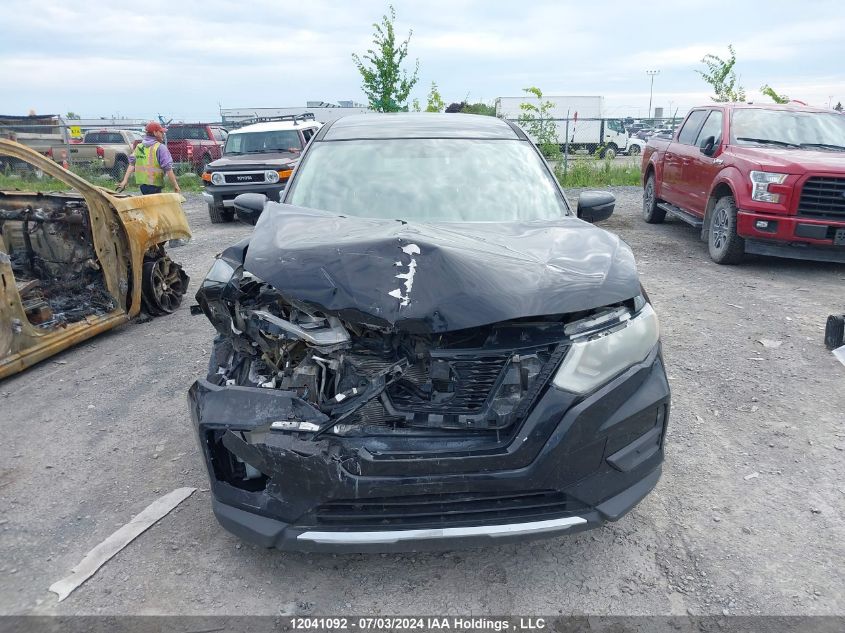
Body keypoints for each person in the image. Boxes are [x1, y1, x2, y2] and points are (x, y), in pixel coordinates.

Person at [116, 122, 180, 194]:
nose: (163, 134)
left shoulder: (139, 147)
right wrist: (175, 185)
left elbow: (131, 164)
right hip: (155, 185)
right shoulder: (160, 147)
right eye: (161, 132)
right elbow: (168, 168)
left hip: (143, 186)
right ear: (155, 132)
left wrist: (125, 181)